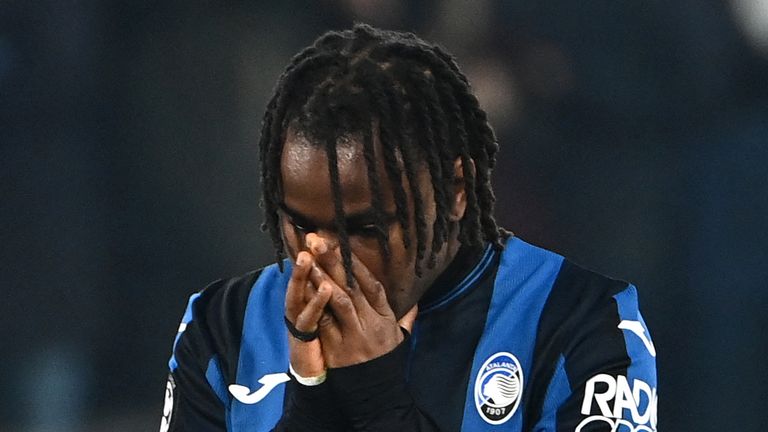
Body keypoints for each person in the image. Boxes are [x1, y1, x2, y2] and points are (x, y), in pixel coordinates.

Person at [160, 24, 657, 432]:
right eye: (300, 224)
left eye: (367, 228)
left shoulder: (582, 323)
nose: (324, 257)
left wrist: (379, 399)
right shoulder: (222, 325)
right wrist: (314, 404)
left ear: (456, 191)